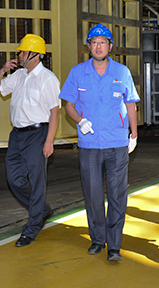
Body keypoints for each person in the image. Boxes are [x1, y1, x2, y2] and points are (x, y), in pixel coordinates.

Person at [59, 23, 139, 262]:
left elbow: (131, 104)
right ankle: (97, 239)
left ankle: (114, 245)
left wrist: (134, 134)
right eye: (94, 42)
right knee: (93, 194)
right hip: (90, 144)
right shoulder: (77, 72)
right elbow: (68, 105)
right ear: (88, 46)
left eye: (103, 42)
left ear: (110, 46)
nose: (98, 46)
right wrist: (80, 121)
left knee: (117, 195)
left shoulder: (122, 72)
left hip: (117, 143)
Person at [0, 34, 60, 247]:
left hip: (37, 134)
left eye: (23, 52)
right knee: (14, 180)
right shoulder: (18, 75)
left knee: (37, 181)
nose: (19, 55)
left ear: (35, 55)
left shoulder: (48, 79)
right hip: (17, 135)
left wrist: (49, 141)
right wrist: (2, 70)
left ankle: (32, 227)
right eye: (20, 52)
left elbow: (55, 112)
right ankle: (41, 209)